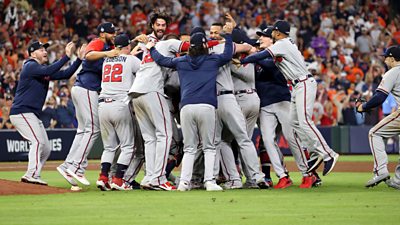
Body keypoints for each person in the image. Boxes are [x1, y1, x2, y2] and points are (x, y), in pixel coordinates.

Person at [241, 20, 339, 176]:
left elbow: (262, 56)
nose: (271, 34)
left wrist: (243, 60)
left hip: (303, 82)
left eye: (273, 31)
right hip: (297, 85)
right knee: (295, 122)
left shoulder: (282, 44)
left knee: (305, 121)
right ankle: (314, 153)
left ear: (278, 33)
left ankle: (329, 154)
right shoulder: (283, 44)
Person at [148, 20, 234, 191]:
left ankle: (183, 183)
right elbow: (227, 55)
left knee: (189, 148)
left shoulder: (182, 61)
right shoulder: (212, 59)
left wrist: (150, 47)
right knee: (209, 147)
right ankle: (209, 181)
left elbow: (161, 59)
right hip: (207, 106)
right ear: (205, 45)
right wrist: (228, 36)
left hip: (186, 107)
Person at [9, 40, 85, 185]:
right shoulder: (30, 65)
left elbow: (65, 74)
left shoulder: (40, 70)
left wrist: (79, 60)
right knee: (37, 142)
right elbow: (49, 71)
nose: (45, 52)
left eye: (45, 49)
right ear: (33, 54)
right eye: (41, 49)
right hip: (22, 112)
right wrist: (67, 57)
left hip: (30, 114)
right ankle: (31, 174)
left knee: (46, 148)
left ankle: (34, 175)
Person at [57, 22, 120, 186]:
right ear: (102, 33)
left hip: (82, 89)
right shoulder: (99, 42)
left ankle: (67, 165)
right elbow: (89, 54)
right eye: (111, 32)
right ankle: (77, 167)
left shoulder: (107, 46)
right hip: (86, 88)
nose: (114, 34)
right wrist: (107, 53)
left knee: (83, 130)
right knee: (93, 129)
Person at [95, 34, 142, 191]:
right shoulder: (131, 59)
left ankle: (103, 177)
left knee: (109, 147)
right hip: (120, 104)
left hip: (102, 105)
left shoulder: (106, 60)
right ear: (128, 46)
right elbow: (145, 71)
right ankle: (118, 180)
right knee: (128, 146)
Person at [357, 45, 400, 189]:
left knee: (374, 133)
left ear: (392, 58)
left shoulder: (393, 72)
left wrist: (364, 106)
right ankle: (398, 180)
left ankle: (380, 171)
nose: (385, 59)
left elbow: (380, 96)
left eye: (386, 57)